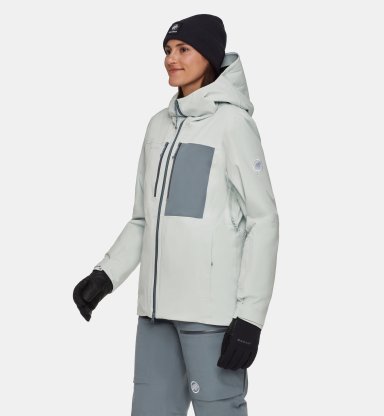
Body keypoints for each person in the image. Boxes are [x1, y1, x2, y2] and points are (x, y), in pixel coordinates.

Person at [73, 13, 279, 416]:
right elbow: (143, 220)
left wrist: (250, 318)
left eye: (184, 49)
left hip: (210, 316)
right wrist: (105, 275)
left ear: (209, 55)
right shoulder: (157, 127)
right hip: (155, 315)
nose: (171, 58)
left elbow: (264, 220)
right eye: (168, 50)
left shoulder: (232, 125)